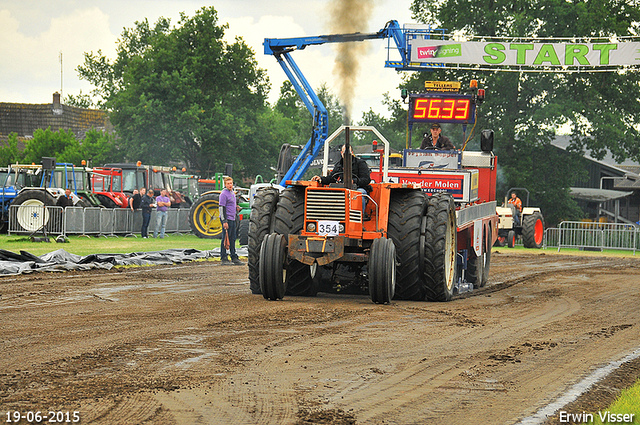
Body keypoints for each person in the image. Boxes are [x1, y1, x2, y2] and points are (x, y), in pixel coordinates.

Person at [312, 144, 372, 220]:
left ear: (352, 152)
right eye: (344, 153)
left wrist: (354, 181)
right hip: (342, 189)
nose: (346, 155)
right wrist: (320, 179)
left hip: (357, 188)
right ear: (341, 153)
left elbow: (366, 179)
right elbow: (331, 178)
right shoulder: (339, 165)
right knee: (330, 194)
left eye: (348, 153)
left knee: (360, 194)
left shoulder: (360, 163)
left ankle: (360, 218)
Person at [219, 177, 243, 265]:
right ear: (225, 184)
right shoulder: (223, 194)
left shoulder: (232, 193)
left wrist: (237, 208)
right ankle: (224, 257)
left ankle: (234, 256)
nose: (230, 185)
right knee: (225, 238)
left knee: (233, 238)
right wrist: (224, 221)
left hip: (232, 218)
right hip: (227, 218)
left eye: (231, 183)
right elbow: (221, 208)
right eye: (228, 183)